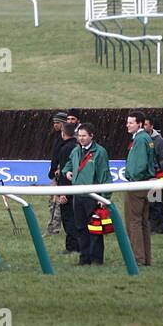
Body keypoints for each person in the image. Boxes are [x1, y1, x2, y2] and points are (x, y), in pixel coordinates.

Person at [65, 124, 110, 266]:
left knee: (95, 229)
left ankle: (96, 259)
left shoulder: (100, 152)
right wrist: (67, 171)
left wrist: (105, 197)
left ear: (91, 136)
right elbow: (68, 165)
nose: (81, 138)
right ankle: (84, 259)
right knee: (80, 228)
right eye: (79, 136)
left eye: (84, 135)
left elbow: (104, 175)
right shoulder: (76, 150)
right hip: (77, 195)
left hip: (93, 196)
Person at [123, 112, 156, 267]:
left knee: (133, 222)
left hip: (137, 184)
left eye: (131, 123)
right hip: (145, 183)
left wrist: (132, 178)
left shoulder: (140, 139)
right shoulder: (145, 138)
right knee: (143, 222)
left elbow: (139, 165)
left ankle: (138, 259)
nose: (127, 125)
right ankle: (145, 258)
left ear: (140, 124)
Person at [51, 121, 81, 254]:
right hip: (78, 187)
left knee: (68, 219)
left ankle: (71, 247)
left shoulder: (65, 148)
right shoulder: (77, 146)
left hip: (67, 188)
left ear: (63, 133)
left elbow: (64, 171)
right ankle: (78, 245)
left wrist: (63, 192)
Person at [144, 113, 163, 234]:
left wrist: (156, 169)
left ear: (151, 126)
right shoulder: (142, 139)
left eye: (145, 124)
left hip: (158, 177)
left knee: (157, 203)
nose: (143, 126)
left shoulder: (159, 141)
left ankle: (160, 228)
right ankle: (152, 227)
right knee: (150, 203)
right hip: (147, 177)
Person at [46, 111, 69, 234]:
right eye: (54, 122)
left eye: (57, 123)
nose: (55, 125)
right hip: (55, 173)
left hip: (63, 174)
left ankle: (55, 228)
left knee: (58, 201)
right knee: (52, 200)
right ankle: (53, 228)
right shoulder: (58, 137)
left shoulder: (68, 138)